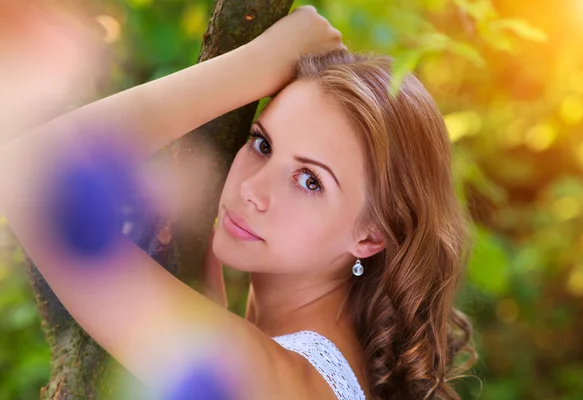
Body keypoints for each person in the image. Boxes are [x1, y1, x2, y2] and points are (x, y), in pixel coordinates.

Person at [0, 5, 477, 400]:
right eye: (262, 144)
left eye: (310, 180)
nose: (253, 188)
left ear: (371, 236)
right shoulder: (307, 370)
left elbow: (32, 177)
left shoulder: (271, 377)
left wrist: (254, 64)